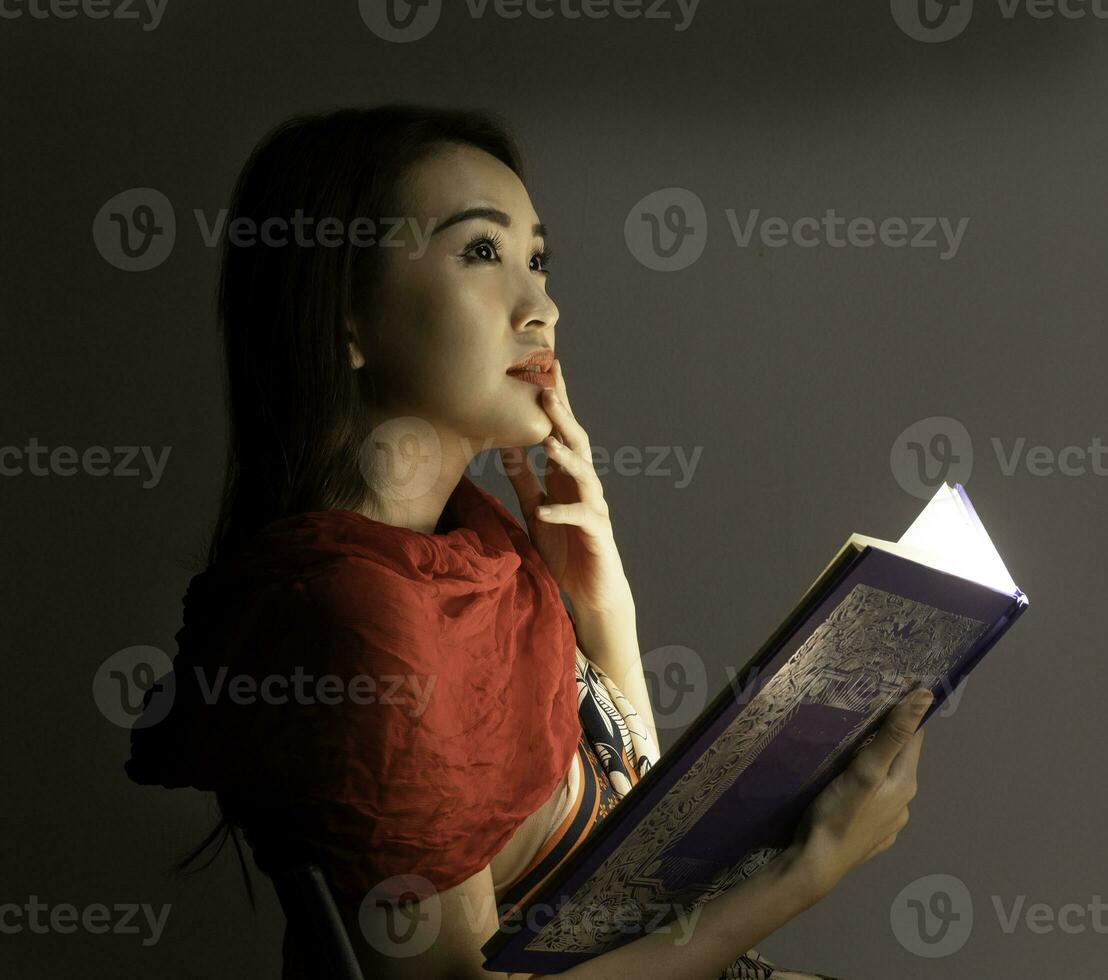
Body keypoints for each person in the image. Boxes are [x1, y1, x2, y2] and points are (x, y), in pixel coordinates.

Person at [125, 105, 932, 979]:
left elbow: (640, 874)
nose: (540, 305)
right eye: (481, 252)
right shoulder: (357, 610)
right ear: (344, 322)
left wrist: (602, 605)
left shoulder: (479, 544)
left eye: (537, 260)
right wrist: (805, 872)